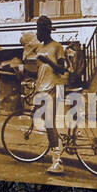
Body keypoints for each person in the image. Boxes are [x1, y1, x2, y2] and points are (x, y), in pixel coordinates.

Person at [29, 15, 69, 174]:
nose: (37, 33)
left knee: (49, 123)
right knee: (46, 121)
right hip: (42, 90)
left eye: (39, 30)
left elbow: (61, 69)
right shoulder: (40, 48)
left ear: (45, 31)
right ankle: (57, 146)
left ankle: (57, 161)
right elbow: (39, 72)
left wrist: (48, 61)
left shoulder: (57, 47)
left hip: (54, 89)